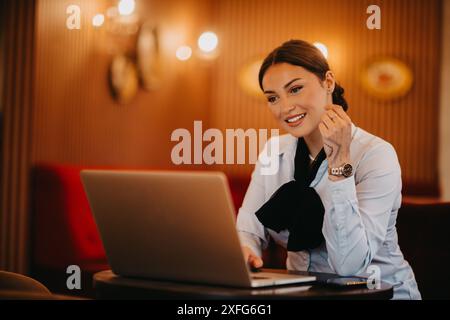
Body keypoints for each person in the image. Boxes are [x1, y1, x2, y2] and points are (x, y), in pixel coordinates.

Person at [236, 39, 421, 300]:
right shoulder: (273, 151)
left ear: (328, 82)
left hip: (378, 295)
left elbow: (349, 266)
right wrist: (246, 250)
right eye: (273, 98)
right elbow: (248, 229)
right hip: (304, 294)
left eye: (296, 89)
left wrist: (339, 163)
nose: (285, 107)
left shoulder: (376, 155)